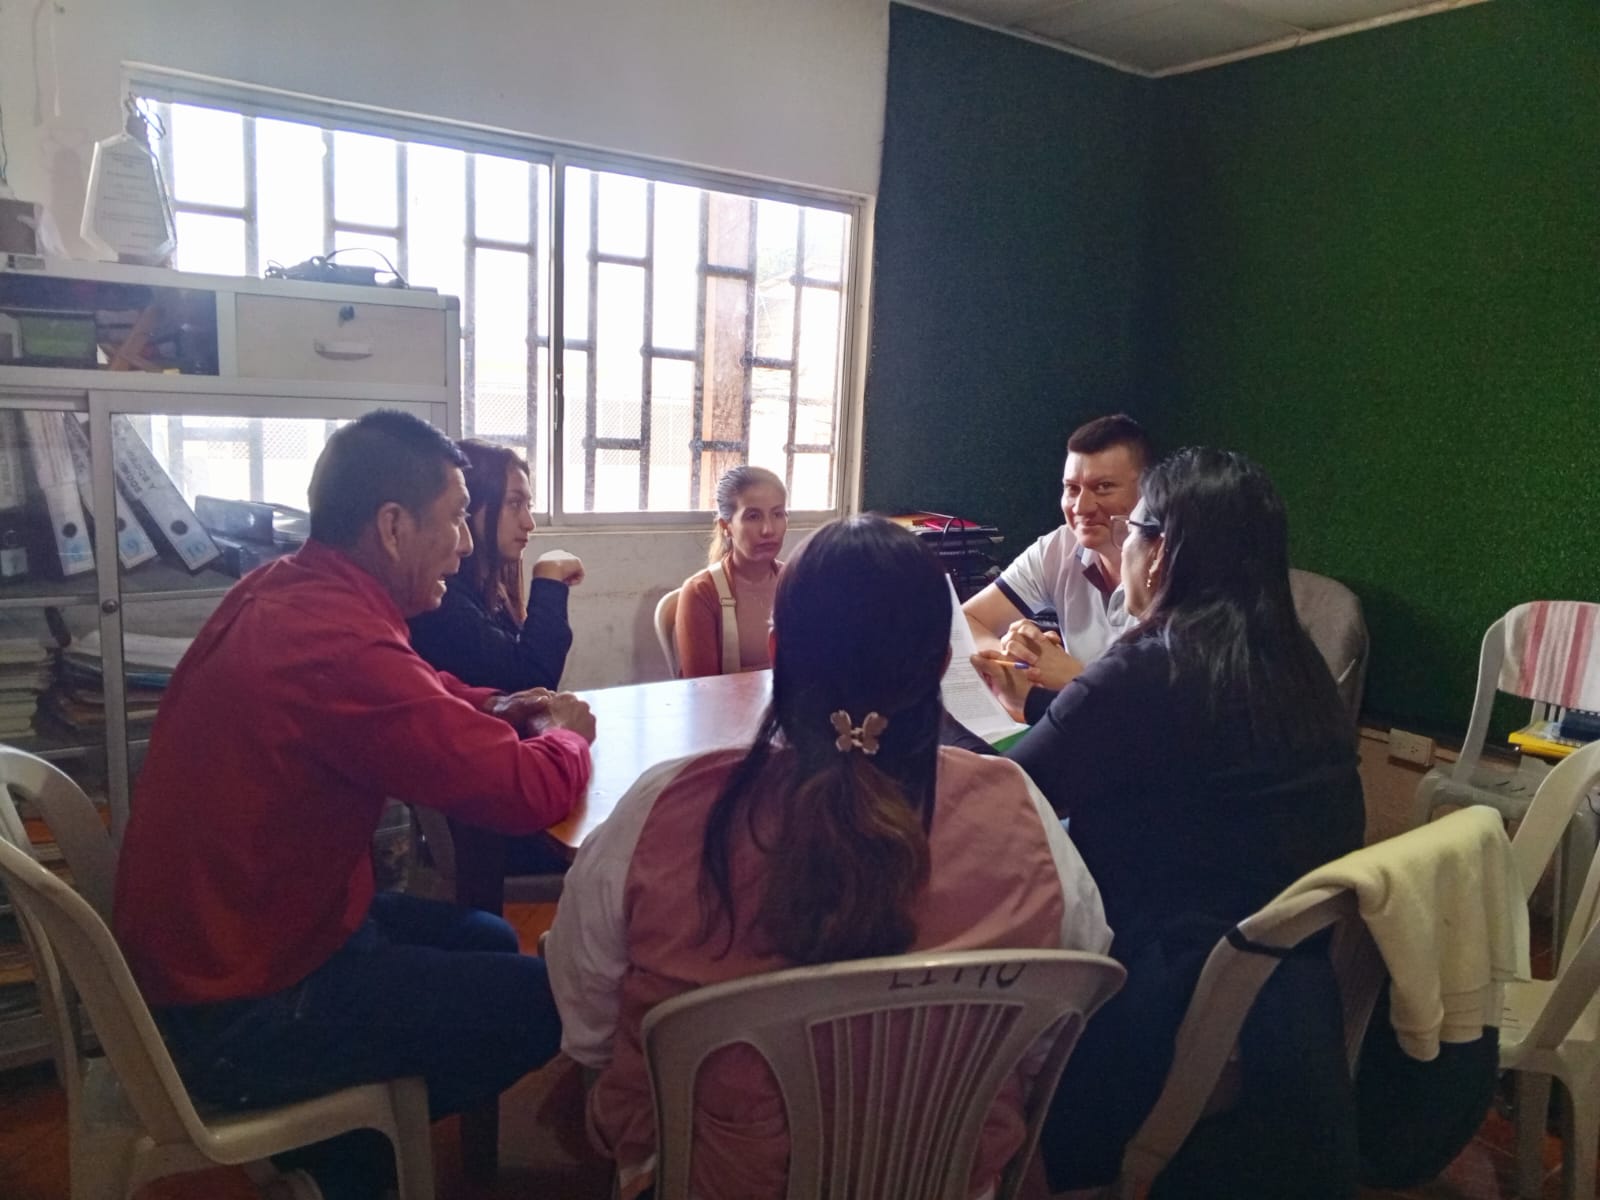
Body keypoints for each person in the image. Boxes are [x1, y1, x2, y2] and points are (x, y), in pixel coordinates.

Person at [547, 514, 1110, 1200]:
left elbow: (588, 1028)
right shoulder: (1022, 813)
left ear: (776, 651)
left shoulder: (658, 813)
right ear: (941, 663)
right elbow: (1058, 1022)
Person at [114, 410, 597, 1200]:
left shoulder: (290, 586)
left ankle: (355, 1144)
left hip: (229, 949)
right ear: (394, 526)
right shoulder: (336, 642)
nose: (466, 544)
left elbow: (417, 685)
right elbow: (524, 792)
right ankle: (345, 1147)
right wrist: (569, 736)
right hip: (239, 1010)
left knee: (483, 935)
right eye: (454, 519)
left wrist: (497, 704)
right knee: (550, 1003)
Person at [987, 447, 1364, 1192]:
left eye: (1130, 526)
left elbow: (1008, 802)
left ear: (1159, 554)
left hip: (1156, 990)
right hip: (1284, 985)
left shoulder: (1145, 671)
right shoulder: (1299, 666)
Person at [962, 413, 1150, 697]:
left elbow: (1173, 707)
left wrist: (1076, 680)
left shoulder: (1172, 565)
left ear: (1148, 490)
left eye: (1104, 487)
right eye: (1072, 489)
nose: (1082, 507)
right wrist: (1019, 659)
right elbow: (967, 623)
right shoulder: (1059, 547)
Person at [409, 438, 583, 692]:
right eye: (514, 503)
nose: (529, 523)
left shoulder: (488, 587)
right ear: (467, 506)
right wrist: (549, 582)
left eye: (528, 506)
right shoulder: (441, 599)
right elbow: (530, 680)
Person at [673, 464, 788, 677]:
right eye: (753, 516)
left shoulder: (797, 583)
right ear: (726, 526)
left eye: (778, 514)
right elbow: (703, 687)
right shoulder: (701, 593)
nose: (768, 529)